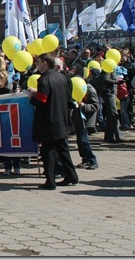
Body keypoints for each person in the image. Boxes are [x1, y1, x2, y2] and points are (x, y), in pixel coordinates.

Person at [28, 53, 79, 190]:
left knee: (48, 152)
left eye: (38, 62)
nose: (36, 65)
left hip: (48, 122)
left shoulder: (44, 80)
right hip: (61, 119)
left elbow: (41, 100)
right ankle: (71, 176)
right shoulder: (61, 76)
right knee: (63, 150)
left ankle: (50, 181)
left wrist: (31, 98)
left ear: (45, 63)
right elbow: (67, 97)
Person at [72, 80, 100, 170]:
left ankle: (92, 160)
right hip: (78, 118)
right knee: (80, 141)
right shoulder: (73, 87)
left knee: (84, 140)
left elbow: (95, 106)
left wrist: (84, 106)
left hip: (86, 119)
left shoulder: (89, 89)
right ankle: (85, 159)